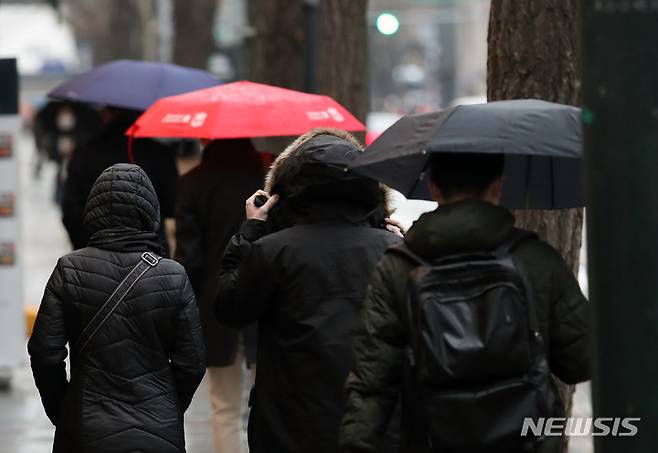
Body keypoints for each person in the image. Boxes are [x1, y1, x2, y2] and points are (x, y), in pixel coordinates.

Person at [340, 152, 591, 453]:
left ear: (433, 187)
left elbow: (372, 380)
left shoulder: (399, 267)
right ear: (498, 186)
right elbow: (582, 360)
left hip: (432, 438)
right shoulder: (534, 258)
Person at [215, 129, 402, 453]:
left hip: (289, 421)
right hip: (373, 421)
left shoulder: (273, 250)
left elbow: (229, 307)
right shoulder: (392, 250)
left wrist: (249, 233)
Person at [28, 163, 206, 453]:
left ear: (94, 210)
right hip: (158, 431)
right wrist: (167, 408)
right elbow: (192, 362)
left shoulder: (69, 269)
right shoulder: (173, 275)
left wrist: (64, 411)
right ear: (150, 212)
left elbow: (45, 354)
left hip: (86, 427)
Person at [175, 139, 264, 453]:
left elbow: (189, 260)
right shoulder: (266, 182)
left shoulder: (192, 184)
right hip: (263, 305)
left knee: (224, 407)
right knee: (267, 404)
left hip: (216, 306)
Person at [62, 107, 178, 253]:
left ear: (108, 114)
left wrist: (84, 248)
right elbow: (172, 205)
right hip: (150, 256)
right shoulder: (159, 153)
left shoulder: (84, 152)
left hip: (94, 254)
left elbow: (71, 211)